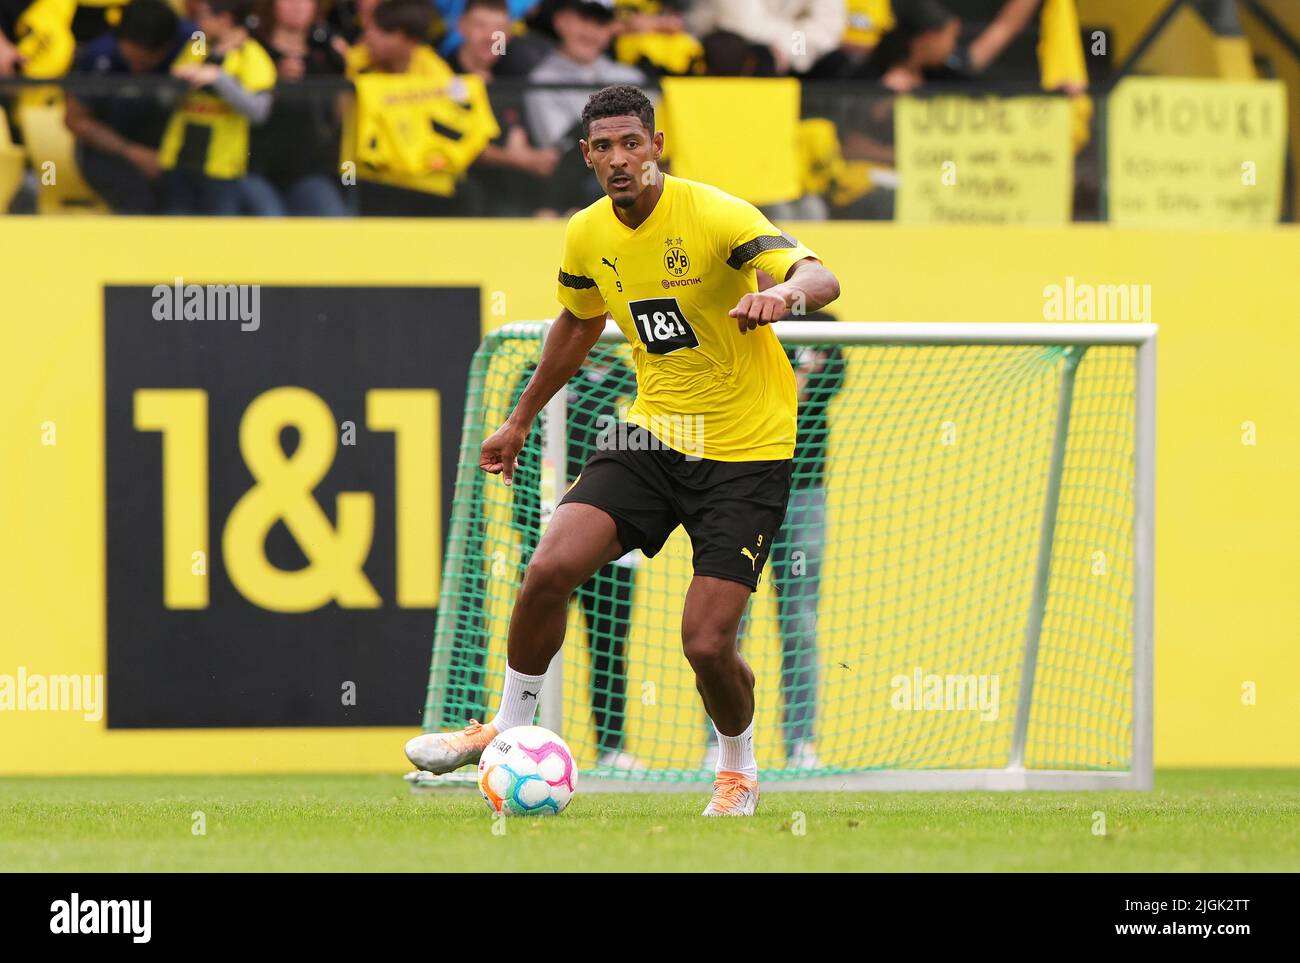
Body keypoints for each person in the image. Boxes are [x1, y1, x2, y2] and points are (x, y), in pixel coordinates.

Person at [405, 83, 841, 817]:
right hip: (651, 434)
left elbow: (820, 275)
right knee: (550, 566)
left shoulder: (715, 215)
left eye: (631, 143)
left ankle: (737, 767)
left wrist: (784, 297)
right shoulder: (586, 232)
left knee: (705, 644)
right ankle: (509, 726)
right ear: (586, 155)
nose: (619, 159)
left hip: (744, 451)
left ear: (656, 146)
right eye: (603, 147)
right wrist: (518, 421)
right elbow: (576, 324)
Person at [704, 309, 846, 771]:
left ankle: (802, 742)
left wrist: (785, 384)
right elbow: (734, 394)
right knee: (725, 624)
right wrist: (795, 375)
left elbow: (810, 396)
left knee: (800, 621)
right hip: (739, 486)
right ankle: (719, 743)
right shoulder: (731, 316)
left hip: (803, 492)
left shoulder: (825, 325)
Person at [64, 0, 189, 213]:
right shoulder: (99, 55)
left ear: (166, 48)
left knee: (189, 195)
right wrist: (133, 153)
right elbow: (75, 119)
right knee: (139, 199)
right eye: (130, 61)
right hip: (108, 150)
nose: (135, 70)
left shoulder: (191, 44)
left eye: (143, 65)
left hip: (173, 149)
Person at [157, 0, 277, 214]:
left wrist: (219, 79)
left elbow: (259, 111)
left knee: (219, 235)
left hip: (221, 167)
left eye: (204, 16)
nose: (198, 22)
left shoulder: (252, 56)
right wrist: (180, 81)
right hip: (178, 158)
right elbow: (167, 95)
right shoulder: (198, 43)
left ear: (224, 20)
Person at [251, 0, 350, 215]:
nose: (298, 6)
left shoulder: (328, 56)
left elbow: (343, 115)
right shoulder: (252, 49)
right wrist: (274, 80)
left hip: (311, 170)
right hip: (254, 168)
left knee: (335, 223)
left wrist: (347, 64)